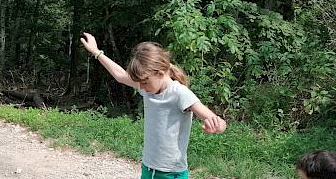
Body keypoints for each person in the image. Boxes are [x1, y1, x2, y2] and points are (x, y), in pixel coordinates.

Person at [80, 32, 226, 179]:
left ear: (160, 73)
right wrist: (96, 52)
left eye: (144, 83)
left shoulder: (180, 93)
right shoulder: (149, 88)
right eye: (140, 83)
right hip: (148, 169)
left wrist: (216, 126)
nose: (142, 88)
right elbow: (120, 75)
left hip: (172, 174)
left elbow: (217, 121)